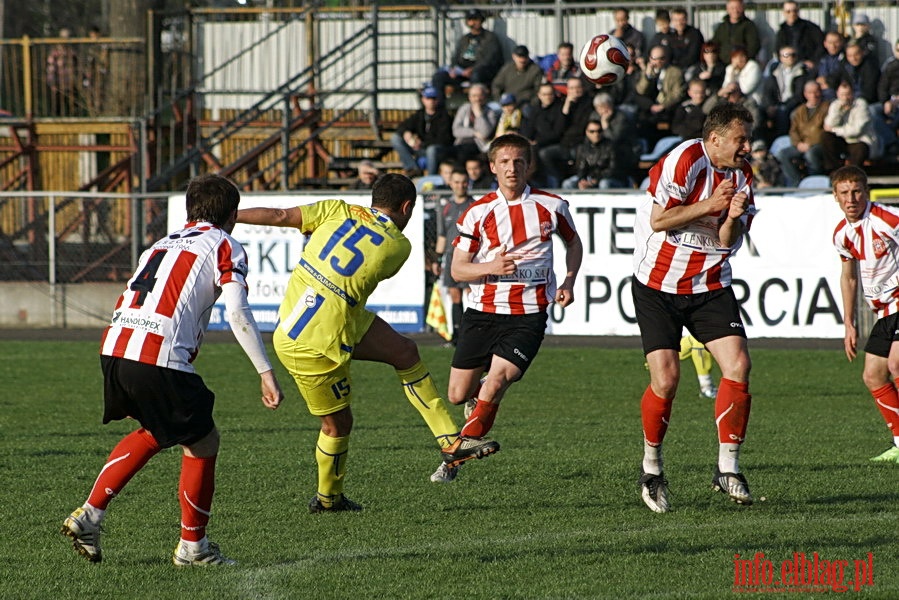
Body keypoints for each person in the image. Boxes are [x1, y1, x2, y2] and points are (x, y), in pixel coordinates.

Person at [60, 174, 285, 566]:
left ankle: (90, 516)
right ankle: (193, 548)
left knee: (155, 430)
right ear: (232, 215)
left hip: (114, 349)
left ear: (189, 210)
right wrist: (265, 371)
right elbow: (237, 310)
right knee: (203, 441)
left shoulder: (160, 243)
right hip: (155, 356)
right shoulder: (225, 244)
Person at [237, 174, 499, 499]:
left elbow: (279, 216)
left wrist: (229, 216)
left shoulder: (336, 209)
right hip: (312, 343)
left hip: (326, 317)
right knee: (337, 426)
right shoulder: (399, 246)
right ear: (407, 207)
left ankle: (450, 441)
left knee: (405, 352)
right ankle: (328, 500)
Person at [633, 103, 756, 513]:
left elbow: (725, 240)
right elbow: (659, 221)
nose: (747, 146)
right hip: (659, 286)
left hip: (710, 285)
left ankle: (728, 468)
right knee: (667, 381)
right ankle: (651, 468)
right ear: (716, 139)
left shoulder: (743, 175)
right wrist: (709, 204)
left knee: (738, 366)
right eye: (741, 139)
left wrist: (734, 216)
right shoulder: (685, 158)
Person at [445, 133, 582, 456]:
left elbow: (573, 243)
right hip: (482, 312)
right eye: (504, 162)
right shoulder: (477, 213)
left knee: (496, 382)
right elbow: (458, 270)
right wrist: (490, 266)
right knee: (456, 394)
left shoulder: (552, 206)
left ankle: (457, 453)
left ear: (529, 166)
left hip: (528, 315)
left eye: (519, 161)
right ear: (492, 167)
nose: (512, 168)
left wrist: (569, 281)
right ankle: (476, 401)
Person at [832, 165, 899, 464]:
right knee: (873, 375)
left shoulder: (888, 220)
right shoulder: (841, 234)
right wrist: (849, 322)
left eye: (857, 191)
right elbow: (848, 277)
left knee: (896, 362)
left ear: (867, 192)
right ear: (835, 196)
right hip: (883, 311)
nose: (851, 198)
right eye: (844, 192)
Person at [433, 167, 476, 346]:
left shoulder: (474, 206)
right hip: (451, 257)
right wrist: (437, 259)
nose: (460, 186)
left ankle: (473, 336)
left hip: (470, 257)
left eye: (464, 182)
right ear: (450, 183)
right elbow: (442, 235)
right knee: (454, 295)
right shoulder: (446, 207)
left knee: (471, 295)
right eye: (457, 182)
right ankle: (456, 336)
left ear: (468, 183)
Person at [431, 9, 504, 102]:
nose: (473, 22)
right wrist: (453, 69)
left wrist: (472, 69)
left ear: (481, 20)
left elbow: (489, 60)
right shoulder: (464, 39)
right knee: (439, 77)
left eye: (476, 19)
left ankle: (475, 106)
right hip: (462, 72)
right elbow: (456, 57)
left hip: (481, 73)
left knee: (476, 75)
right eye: (470, 19)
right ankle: (439, 108)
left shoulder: (490, 38)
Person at [391, 85, 454, 178]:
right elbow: (403, 126)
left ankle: (430, 178)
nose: (431, 101)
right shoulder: (419, 115)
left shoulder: (445, 117)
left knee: (431, 150)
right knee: (395, 138)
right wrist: (406, 133)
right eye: (428, 98)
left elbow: (443, 139)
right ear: (423, 99)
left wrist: (422, 144)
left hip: (438, 151)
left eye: (434, 98)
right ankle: (412, 169)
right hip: (420, 149)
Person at [775, 80, 829, 187]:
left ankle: (815, 183)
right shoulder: (799, 111)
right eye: (810, 92)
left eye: (816, 92)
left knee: (811, 154)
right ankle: (796, 183)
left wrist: (810, 144)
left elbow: (824, 132)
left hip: (819, 144)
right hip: (801, 144)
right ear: (805, 94)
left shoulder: (827, 108)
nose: (813, 95)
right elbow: (793, 131)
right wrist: (798, 144)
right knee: (782, 154)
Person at [821, 81, 876, 171]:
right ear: (837, 94)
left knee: (860, 149)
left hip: (858, 141)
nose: (845, 98)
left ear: (853, 94)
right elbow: (828, 125)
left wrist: (835, 130)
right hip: (843, 141)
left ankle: (852, 174)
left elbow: (856, 130)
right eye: (842, 95)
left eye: (848, 94)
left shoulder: (861, 104)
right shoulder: (835, 105)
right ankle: (833, 171)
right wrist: (839, 111)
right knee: (826, 136)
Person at [760, 45, 811, 139]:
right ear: (780, 57)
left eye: (793, 55)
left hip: (793, 105)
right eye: (786, 55)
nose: (790, 57)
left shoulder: (802, 72)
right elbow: (767, 92)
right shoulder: (774, 72)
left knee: (783, 113)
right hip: (776, 104)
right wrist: (770, 106)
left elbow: (799, 95)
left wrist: (784, 106)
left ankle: (781, 139)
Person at [562, 119, 629, 190]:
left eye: (599, 131)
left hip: (609, 179)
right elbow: (581, 169)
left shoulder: (611, 146)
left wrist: (595, 181)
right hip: (590, 178)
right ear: (587, 132)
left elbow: (613, 170)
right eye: (592, 131)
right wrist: (583, 181)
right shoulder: (582, 148)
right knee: (568, 183)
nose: (596, 134)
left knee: (604, 184)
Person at [452, 83, 498, 163]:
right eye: (474, 96)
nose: (477, 99)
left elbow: (485, 133)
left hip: (479, 145)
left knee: (464, 152)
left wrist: (479, 114)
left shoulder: (490, 112)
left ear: (485, 97)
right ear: (469, 97)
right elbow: (456, 131)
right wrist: (475, 133)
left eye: (480, 95)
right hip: (460, 143)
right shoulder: (464, 109)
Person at [774, 1, 824, 70]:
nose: (792, 14)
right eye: (788, 11)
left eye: (794, 11)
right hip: (787, 64)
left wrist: (813, 61)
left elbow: (820, 47)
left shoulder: (810, 28)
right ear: (784, 13)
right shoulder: (782, 31)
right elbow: (779, 49)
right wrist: (786, 59)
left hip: (807, 64)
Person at [46, 28, 78, 116]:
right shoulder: (55, 53)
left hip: (70, 85)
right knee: (57, 109)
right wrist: (53, 84)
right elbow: (51, 69)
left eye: (67, 37)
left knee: (73, 109)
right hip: (58, 85)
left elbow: (76, 67)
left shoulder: (72, 52)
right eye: (64, 37)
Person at [669, 7, 705, 79]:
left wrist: (678, 66)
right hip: (675, 66)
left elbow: (693, 56)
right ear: (672, 21)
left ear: (686, 20)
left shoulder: (694, 34)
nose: (679, 23)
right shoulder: (671, 35)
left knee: (687, 76)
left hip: (693, 65)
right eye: (676, 20)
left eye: (682, 19)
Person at [816, 31, 846, 101]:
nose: (833, 46)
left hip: (837, 97)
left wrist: (827, 80)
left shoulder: (846, 58)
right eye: (830, 43)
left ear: (841, 43)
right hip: (819, 96)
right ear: (825, 44)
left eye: (836, 42)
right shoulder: (821, 59)